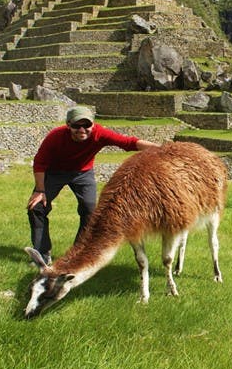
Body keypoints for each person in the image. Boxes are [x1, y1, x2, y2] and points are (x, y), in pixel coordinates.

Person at [26, 106, 160, 264]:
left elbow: (129, 143)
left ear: (93, 125)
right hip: (55, 172)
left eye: (86, 125)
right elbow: (40, 163)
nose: (82, 129)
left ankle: (77, 253)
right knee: (36, 208)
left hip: (83, 173)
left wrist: (164, 149)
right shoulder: (55, 136)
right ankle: (42, 253)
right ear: (68, 125)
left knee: (89, 210)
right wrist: (40, 190)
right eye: (76, 126)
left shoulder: (100, 133)